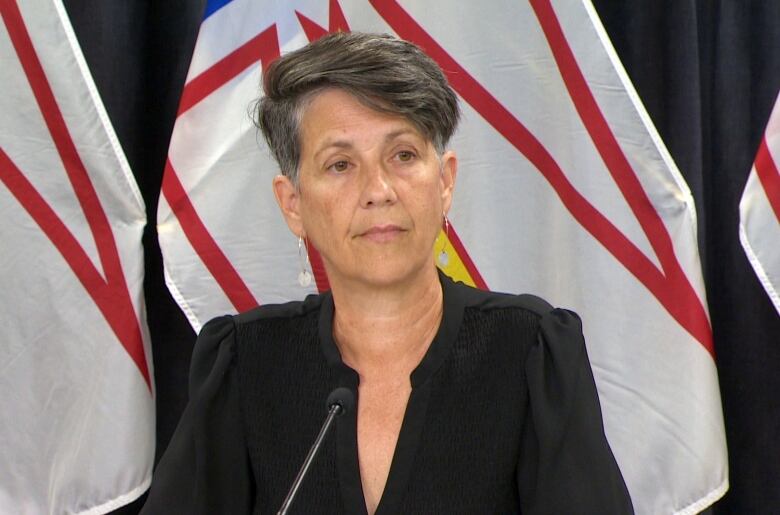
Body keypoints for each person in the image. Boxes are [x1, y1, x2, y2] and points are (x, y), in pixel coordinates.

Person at [141, 32, 633, 514]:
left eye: (402, 155)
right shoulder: (245, 364)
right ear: (293, 205)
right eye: (340, 165)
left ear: (444, 182)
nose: (378, 190)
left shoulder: (529, 352)